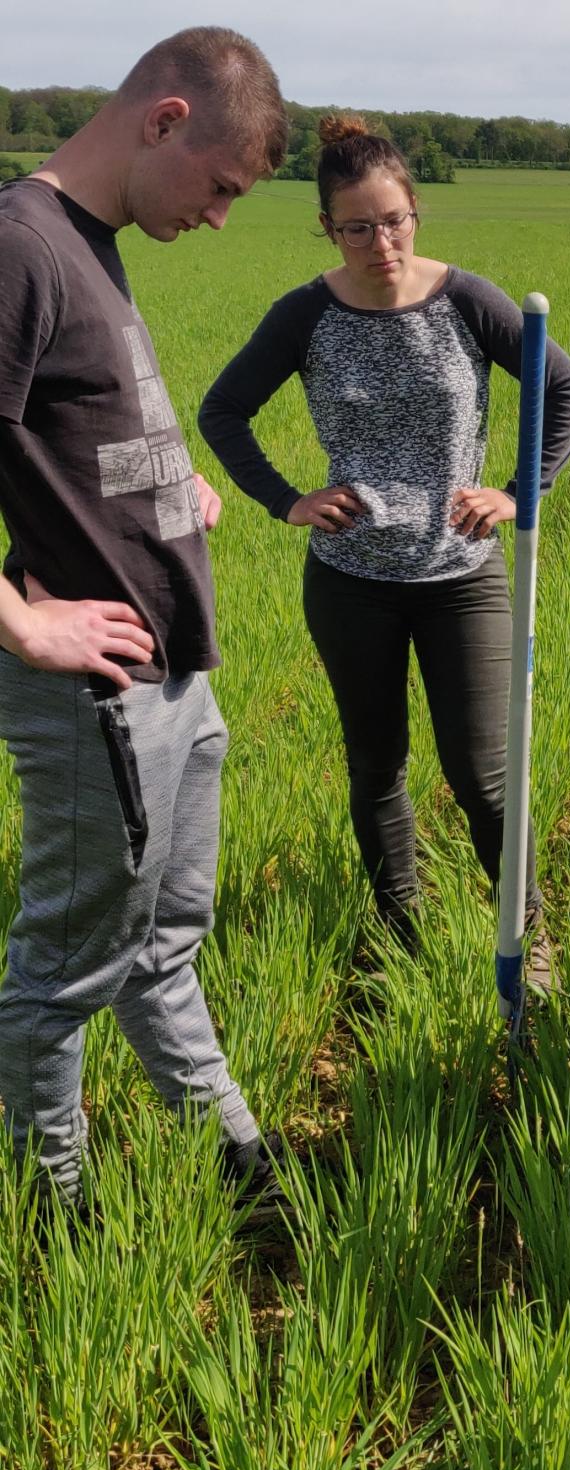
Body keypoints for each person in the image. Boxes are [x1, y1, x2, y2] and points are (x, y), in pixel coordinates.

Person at [0, 28, 290, 1206]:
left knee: (166, 949)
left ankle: (233, 1159)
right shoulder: (19, 246)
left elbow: (70, 435)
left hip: (177, 683)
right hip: (97, 699)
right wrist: (21, 627)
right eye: (222, 188)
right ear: (165, 120)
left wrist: (174, 487)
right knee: (66, 970)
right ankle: (53, 1203)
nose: (221, 218)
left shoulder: (88, 246)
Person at [199, 116, 570, 966]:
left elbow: (565, 388)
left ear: (415, 210)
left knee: (483, 777)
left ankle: (530, 942)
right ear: (328, 228)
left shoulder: (470, 302)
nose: (381, 242)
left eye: (395, 220)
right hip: (350, 580)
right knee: (376, 765)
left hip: (460, 574)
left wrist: (522, 493)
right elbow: (221, 411)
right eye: (358, 226)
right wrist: (287, 500)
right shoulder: (305, 315)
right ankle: (398, 936)